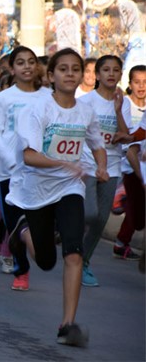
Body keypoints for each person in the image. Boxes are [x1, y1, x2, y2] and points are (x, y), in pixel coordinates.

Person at [6, 48, 107, 347]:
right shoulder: (38, 110)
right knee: (47, 261)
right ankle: (22, 233)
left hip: (69, 188)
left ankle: (67, 324)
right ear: (50, 76)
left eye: (76, 69)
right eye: (63, 69)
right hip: (36, 191)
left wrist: (100, 166)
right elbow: (29, 156)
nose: (70, 74)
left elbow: (97, 144)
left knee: (73, 252)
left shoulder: (86, 111)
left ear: (82, 75)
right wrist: (64, 163)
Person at [0, 45, 51, 291]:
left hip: (40, 172)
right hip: (10, 173)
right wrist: (12, 161)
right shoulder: (4, 98)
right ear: (12, 69)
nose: (26, 66)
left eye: (31, 62)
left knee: (36, 224)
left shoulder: (48, 97)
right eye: (20, 62)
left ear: (37, 67)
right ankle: (21, 270)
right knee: (16, 226)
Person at [77, 55, 130, 286]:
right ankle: (66, 232)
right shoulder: (86, 101)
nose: (111, 74)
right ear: (97, 75)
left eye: (116, 70)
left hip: (113, 164)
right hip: (87, 162)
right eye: (105, 70)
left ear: (120, 75)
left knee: (100, 218)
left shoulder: (124, 102)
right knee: (89, 212)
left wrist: (118, 111)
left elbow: (126, 134)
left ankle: (83, 262)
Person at [114, 65, 145, 261]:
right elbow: (136, 134)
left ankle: (121, 242)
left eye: (145, 82)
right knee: (139, 216)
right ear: (130, 84)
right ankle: (122, 241)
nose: (142, 86)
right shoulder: (125, 104)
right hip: (131, 162)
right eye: (137, 82)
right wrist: (128, 139)